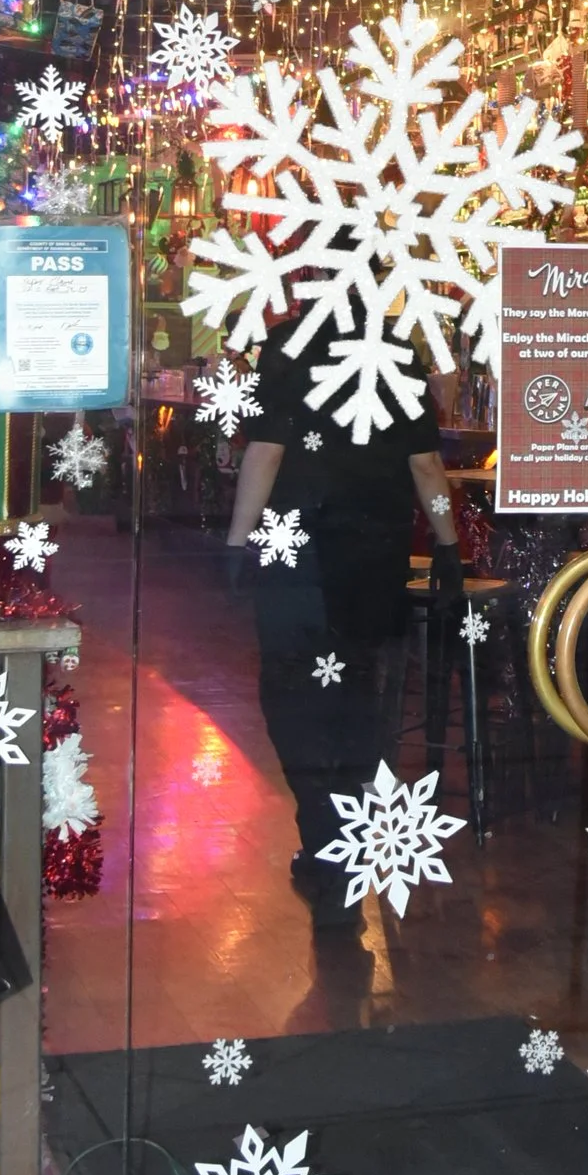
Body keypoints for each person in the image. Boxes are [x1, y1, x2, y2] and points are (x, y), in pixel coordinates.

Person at [223, 330, 463, 906]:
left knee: (289, 691)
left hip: (299, 551)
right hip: (371, 554)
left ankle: (321, 828)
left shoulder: (289, 345)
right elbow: (427, 465)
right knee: (357, 689)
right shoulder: (397, 350)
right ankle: (345, 832)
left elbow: (267, 451)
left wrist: (236, 543)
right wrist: (448, 543)